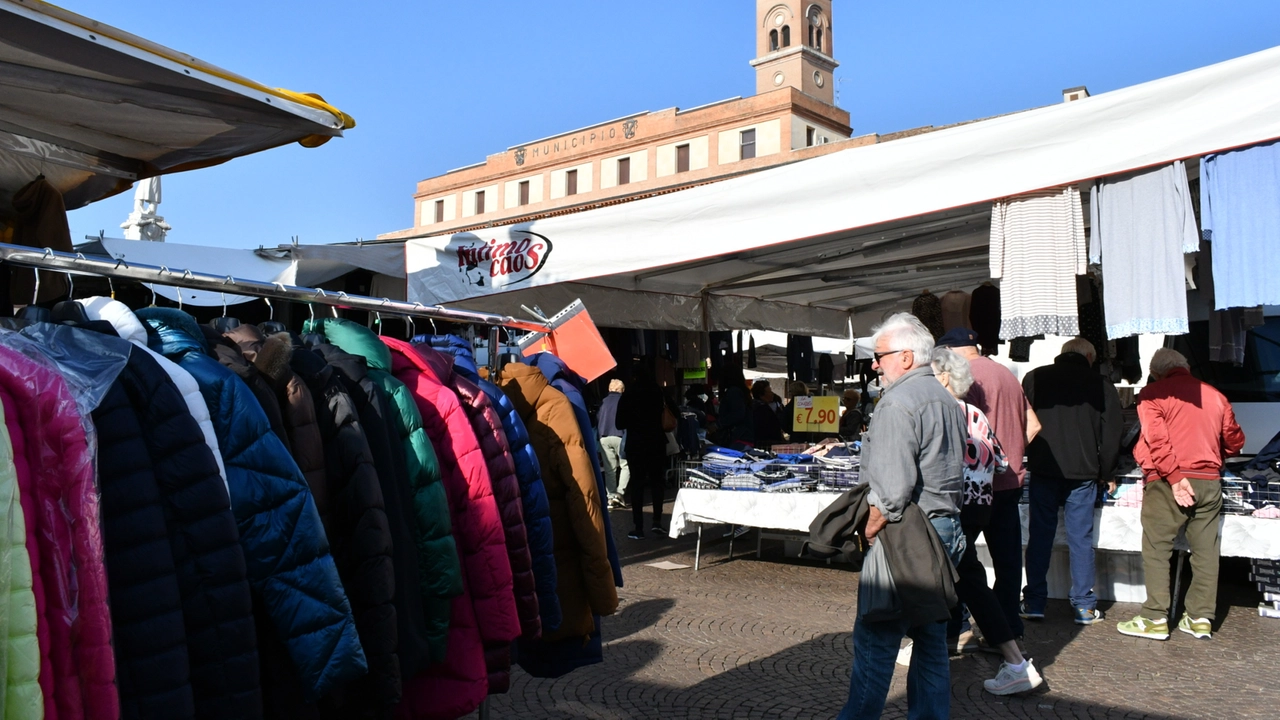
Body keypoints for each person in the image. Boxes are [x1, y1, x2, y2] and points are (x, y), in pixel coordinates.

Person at [838, 313, 966, 720]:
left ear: (907, 357)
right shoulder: (946, 398)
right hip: (941, 530)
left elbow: (891, 492)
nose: (874, 364)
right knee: (930, 641)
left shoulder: (897, 402)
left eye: (880, 356)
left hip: (907, 535)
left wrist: (871, 530)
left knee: (876, 637)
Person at [931, 348, 1043, 696]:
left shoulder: (943, 412)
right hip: (982, 502)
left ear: (945, 377)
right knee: (965, 575)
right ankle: (1007, 655)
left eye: (930, 375)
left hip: (953, 505)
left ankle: (1010, 660)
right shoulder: (976, 413)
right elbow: (999, 461)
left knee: (960, 577)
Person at [1117, 349, 1245, 641]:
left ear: (1157, 372)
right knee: (1206, 550)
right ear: (1185, 367)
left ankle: (1154, 617)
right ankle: (1200, 618)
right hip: (1209, 479)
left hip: (1167, 480)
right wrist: (1213, 455)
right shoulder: (1214, 394)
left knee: (1157, 548)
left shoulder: (1153, 393)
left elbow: (1157, 440)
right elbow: (1236, 440)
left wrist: (1175, 478)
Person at [1020, 337, 1122, 625]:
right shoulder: (1100, 383)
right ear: (1088, 356)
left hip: (1044, 469)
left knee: (1040, 536)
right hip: (1084, 473)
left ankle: (1035, 602)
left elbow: (1020, 420)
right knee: (1081, 539)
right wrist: (1107, 471)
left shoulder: (1034, 378)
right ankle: (1083, 606)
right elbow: (1112, 432)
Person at [616, 363, 669, 539]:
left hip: (636, 444)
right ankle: (657, 522)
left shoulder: (629, 395)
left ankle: (638, 527)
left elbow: (619, 423)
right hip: (656, 442)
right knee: (657, 482)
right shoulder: (657, 392)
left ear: (634, 377)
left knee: (637, 484)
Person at [597, 378, 629, 509]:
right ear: (621, 390)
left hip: (604, 436)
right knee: (626, 465)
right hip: (620, 436)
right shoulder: (624, 401)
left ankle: (610, 496)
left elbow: (598, 418)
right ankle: (619, 494)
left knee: (610, 468)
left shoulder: (603, 402)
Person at [713, 362, 754, 449]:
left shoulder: (733, 392)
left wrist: (718, 424)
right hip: (744, 437)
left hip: (737, 438)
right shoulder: (740, 392)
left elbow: (738, 414)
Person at [751, 380, 785, 447]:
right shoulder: (761, 409)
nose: (772, 394)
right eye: (769, 392)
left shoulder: (755, 406)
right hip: (765, 444)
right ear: (761, 395)